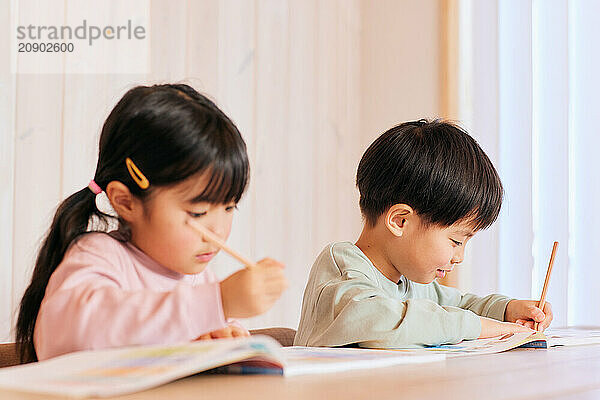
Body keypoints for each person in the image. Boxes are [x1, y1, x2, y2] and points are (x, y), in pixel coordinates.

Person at [16, 84, 288, 361]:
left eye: (229, 207)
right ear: (126, 202)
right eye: (197, 213)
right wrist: (217, 301)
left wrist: (225, 335)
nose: (217, 231)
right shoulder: (99, 255)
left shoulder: (198, 277)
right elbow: (72, 333)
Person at [294, 119, 552, 348]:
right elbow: (381, 320)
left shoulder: (410, 283)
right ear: (400, 221)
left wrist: (507, 310)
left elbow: (460, 305)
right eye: (456, 240)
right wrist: (483, 328)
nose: (459, 256)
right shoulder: (342, 267)